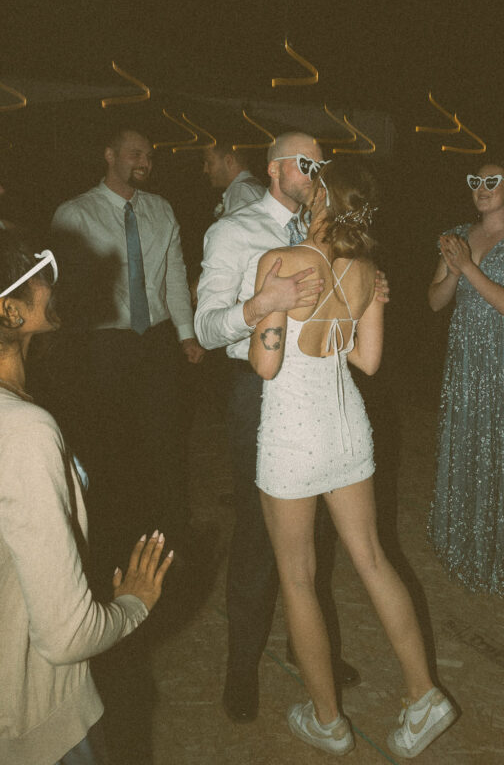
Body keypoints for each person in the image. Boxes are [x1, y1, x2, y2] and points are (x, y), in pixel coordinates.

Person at [249, 159, 457, 758]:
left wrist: (266, 302)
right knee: (372, 560)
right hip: (348, 434)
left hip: (292, 435)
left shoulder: (280, 263)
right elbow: (368, 363)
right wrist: (375, 300)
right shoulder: (367, 271)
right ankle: (424, 695)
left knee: (298, 577)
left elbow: (266, 365)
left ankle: (328, 721)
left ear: (318, 199)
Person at [195, 131, 362, 723]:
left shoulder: (325, 231)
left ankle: (306, 645)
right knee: (260, 539)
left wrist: (369, 296)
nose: (318, 172)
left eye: (323, 164)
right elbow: (208, 325)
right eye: (306, 163)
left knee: (319, 537)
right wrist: (266, 301)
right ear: (273, 169)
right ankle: (241, 669)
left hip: (318, 391)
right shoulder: (235, 231)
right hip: (258, 392)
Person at [0, 232, 172, 765]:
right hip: (34, 722)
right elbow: (68, 635)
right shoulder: (23, 430)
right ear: (10, 310)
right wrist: (132, 606)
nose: (52, 277)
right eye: (37, 268)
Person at [50, 126, 204, 575]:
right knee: (110, 446)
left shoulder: (161, 210)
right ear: (109, 155)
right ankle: (112, 545)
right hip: (103, 343)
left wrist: (186, 334)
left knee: (164, 442)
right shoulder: (75, 213)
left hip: (154, 341)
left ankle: (171, 543)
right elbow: (63, 291)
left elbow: (174, 276)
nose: (145, 161)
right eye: (136, 153)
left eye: (150, 155)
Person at [426, 161, 504, 596]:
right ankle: (465, 547)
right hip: (466, 356)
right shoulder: (457, 235)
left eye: (493, 182)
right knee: (469, 443)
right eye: (476, 182)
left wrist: (468, 267)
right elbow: (436, 301)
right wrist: (453, 269)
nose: (483, 189)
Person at [202, 135, 265, 220]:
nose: (205, 170)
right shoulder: (249, 189)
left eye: (210, 162)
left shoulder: (241, 192)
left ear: (229, 161)